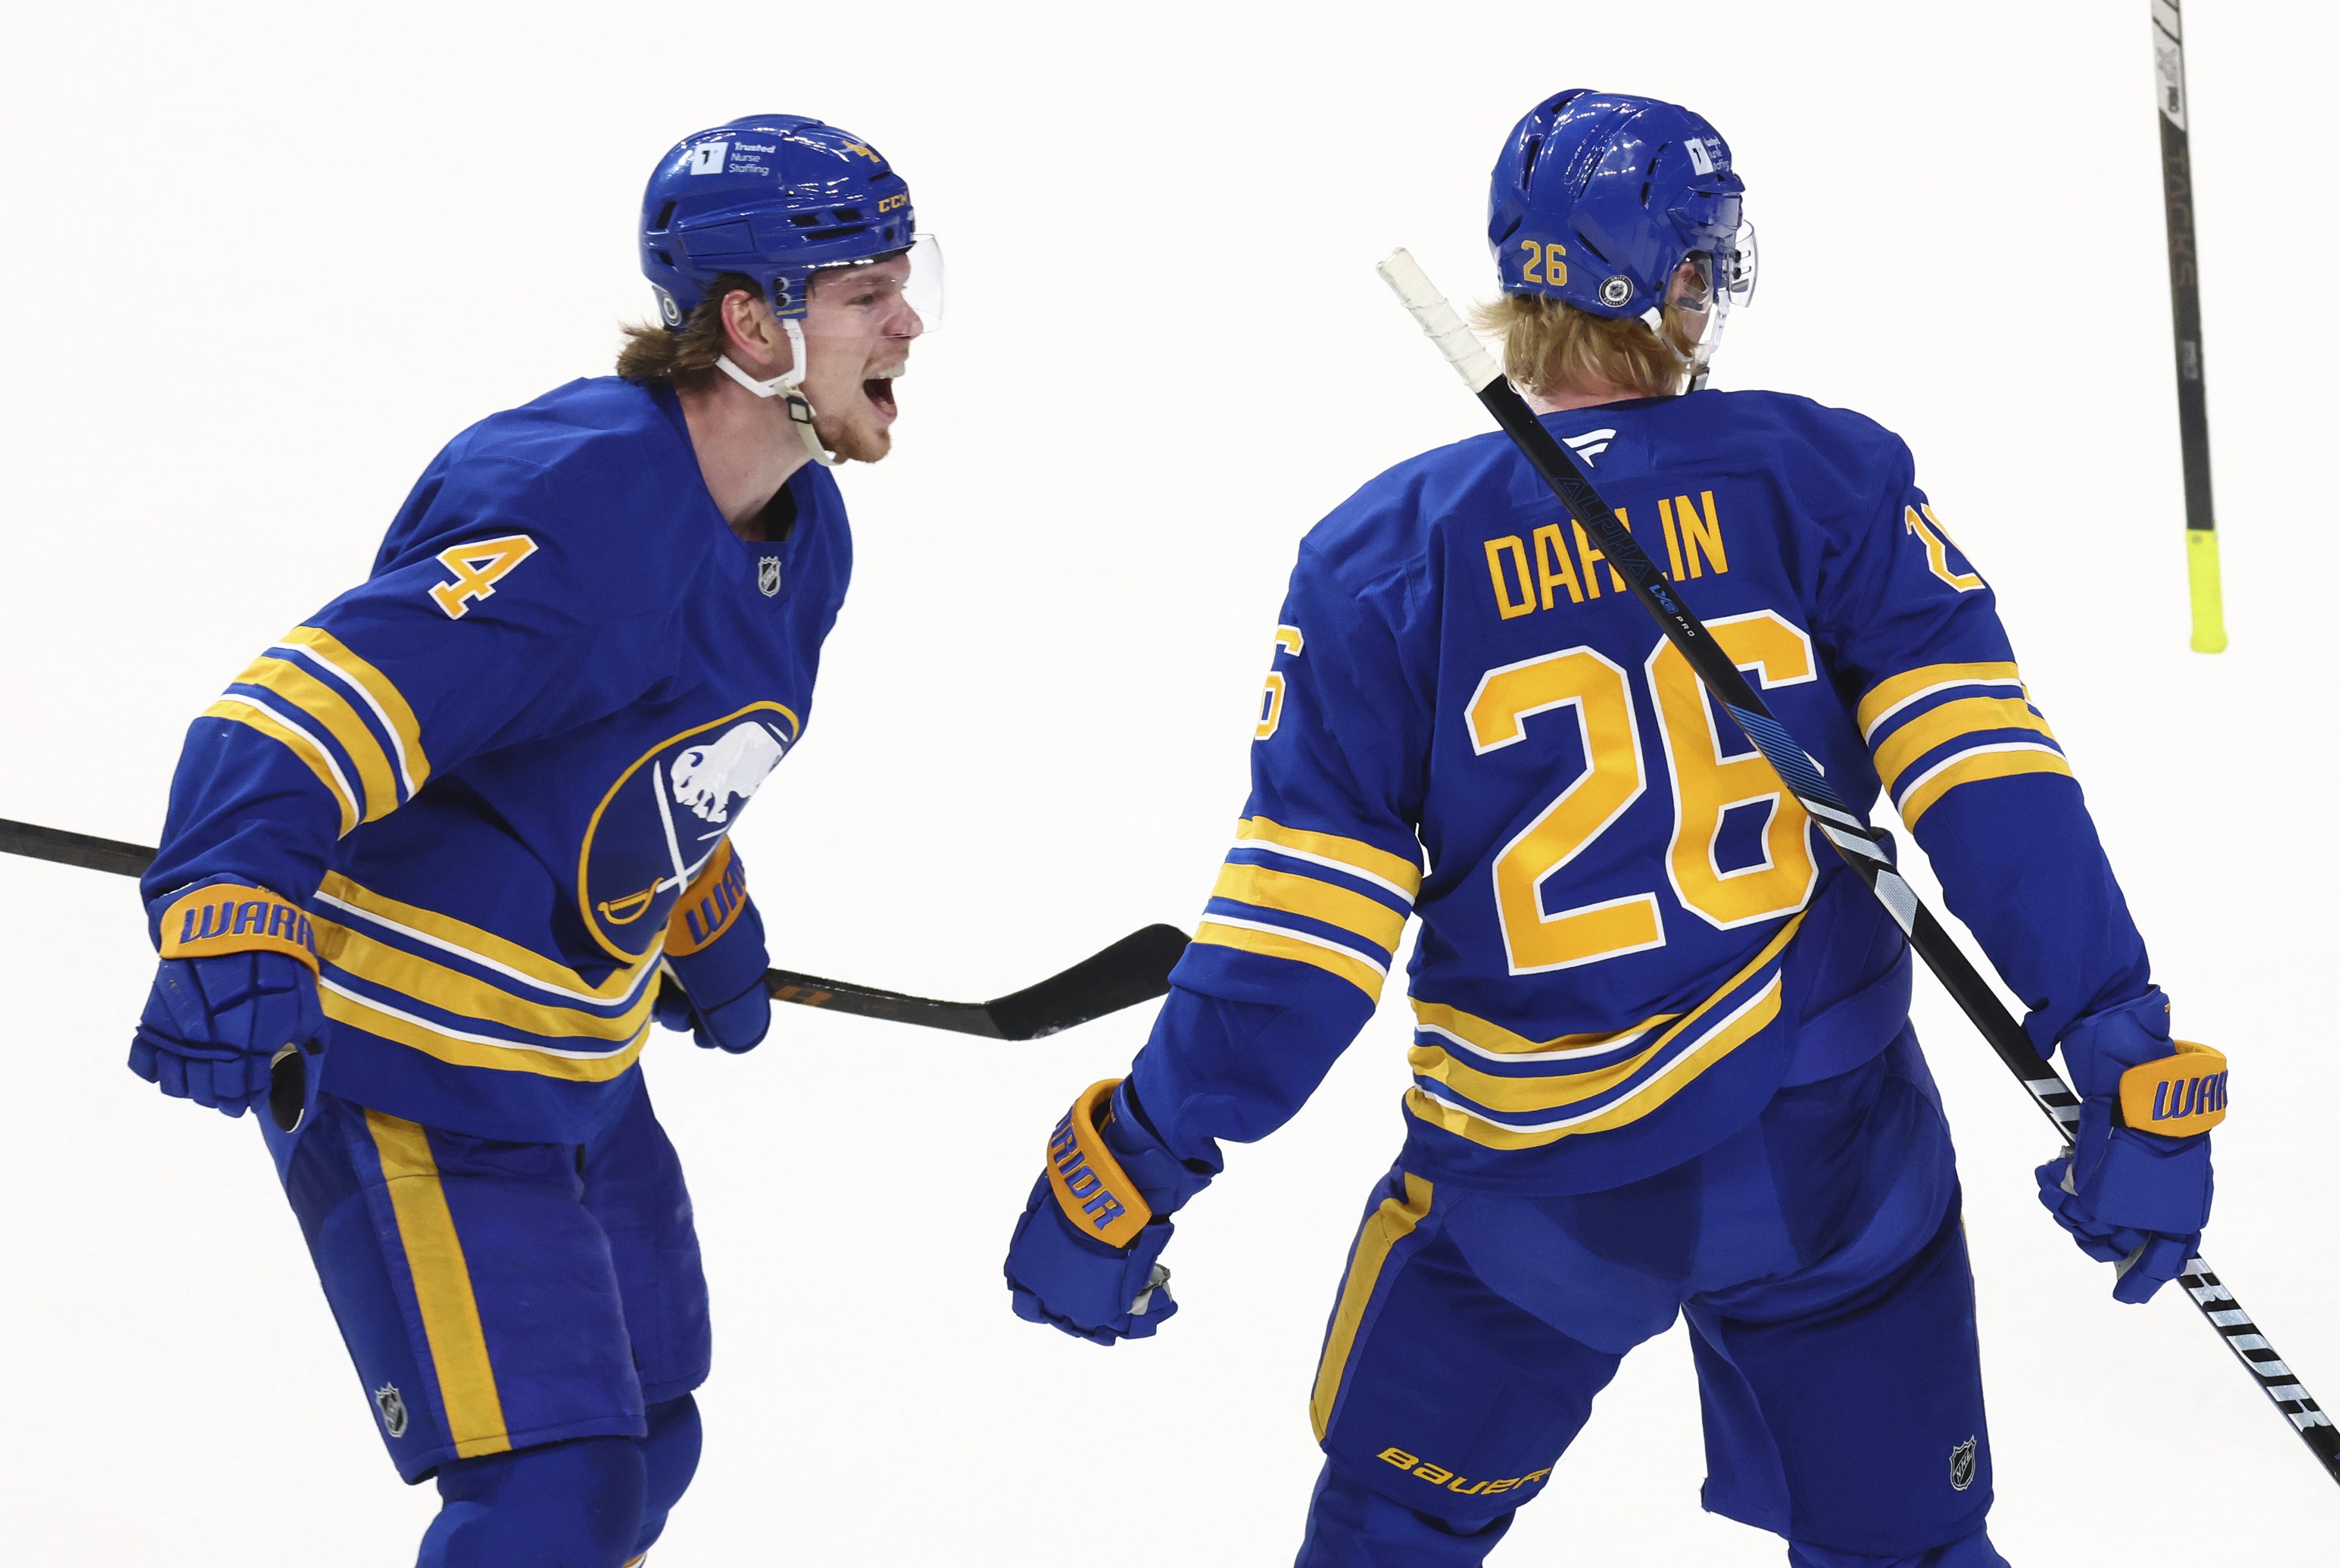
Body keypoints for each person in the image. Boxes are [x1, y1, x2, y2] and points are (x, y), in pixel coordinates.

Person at [1001, 89, 2222, 1567]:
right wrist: (2117, 1038)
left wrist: (1147, 1147)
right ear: (1687, 281)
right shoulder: (1827, 477)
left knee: (1389, 1537)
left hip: (1535, 1205)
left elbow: (1300, 936)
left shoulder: (1383, 555)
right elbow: (1988, 780)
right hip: (1835, 1168)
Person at [129, 112, 937, 1567]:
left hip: (569, 1069)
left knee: (651, 1438)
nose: (910, 318)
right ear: (749, 320)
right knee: (549, 1497)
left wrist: (688, 897)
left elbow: (618, 744)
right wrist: (227, 892)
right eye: (865, 290)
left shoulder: (800, 529)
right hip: (411, 1076)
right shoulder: (581, 508)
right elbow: (301, 706)